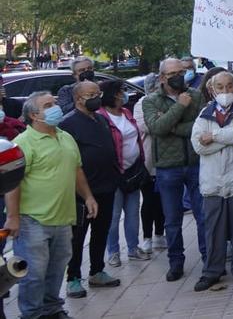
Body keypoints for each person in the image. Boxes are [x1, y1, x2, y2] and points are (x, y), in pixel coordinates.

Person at [5, 93, 98, 319]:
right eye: (48, 106)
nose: (55, 107)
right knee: (34, 274)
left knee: (56, 270)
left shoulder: (65, 137)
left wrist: (88, 197)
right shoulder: (24, 143)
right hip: (32, 220)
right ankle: (32, 314)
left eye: (54, 103)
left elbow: (76, 170)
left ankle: (52, 309)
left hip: (63, 217)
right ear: (34, 115)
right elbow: (11, 182)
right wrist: (13, 216)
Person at [142, 57, 206, 281]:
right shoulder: (150, 101)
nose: (180, 76)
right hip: (168, 168)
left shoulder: (197, 95)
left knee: (203, 215)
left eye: (183, 71)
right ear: (162, 78)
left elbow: (200, 127)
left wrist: (172, 126)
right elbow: (157, 128)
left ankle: (209, 261)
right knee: (172, 219)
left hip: (196, 163)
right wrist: (180, 106)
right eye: (173, 74)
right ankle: (176, 262)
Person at [59, 80, 122, 297]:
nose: (98, 96)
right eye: (91, 94)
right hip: (82, 191)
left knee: (101, 231)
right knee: (77, 237)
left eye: (98, 92)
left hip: (106, 186)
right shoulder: (68, 124)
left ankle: (97, 271)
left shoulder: (101, 118)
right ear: (78, 99)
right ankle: (73, 277)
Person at [190, 70, 233, 291]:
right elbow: (197, 146)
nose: (225, 91)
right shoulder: (204, 114)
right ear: (211, 90)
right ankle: (212, 271)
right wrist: (230, 138)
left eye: (229, 86)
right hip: (212, 183)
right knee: (213, 230)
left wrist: (214, 137)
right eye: (220, 87)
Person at [100, 81, 150, 270]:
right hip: (114, 174)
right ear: (112, 95)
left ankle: (133, 247)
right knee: (113, 216)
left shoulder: (126, 113)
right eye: (121, 92)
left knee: (132, 212)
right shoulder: (102, 117)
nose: (124, 95)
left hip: (133, 171)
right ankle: (112, 252)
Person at [132, 80, 165, 254]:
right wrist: (166, 119)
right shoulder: (141, 104)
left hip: (167, 159)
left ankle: (160, 234)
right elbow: (148, 126)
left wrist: (163, 117)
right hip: (149, 161)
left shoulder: (168, 102)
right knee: (149, 200)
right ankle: (147, 237)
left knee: (162, 201)